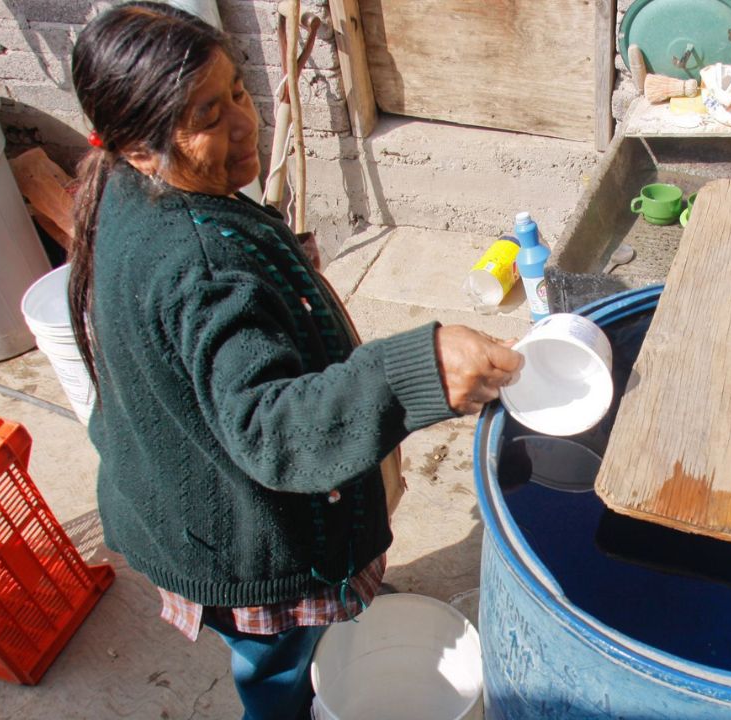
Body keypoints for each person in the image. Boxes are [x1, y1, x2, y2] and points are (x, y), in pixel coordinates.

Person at [67, 4, 523, 718]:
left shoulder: (133, 192)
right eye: (207, 114)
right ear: (134, 146)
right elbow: (275, 431)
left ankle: (325, 639)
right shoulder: (201, 263)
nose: (246, 123)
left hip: (172, 497)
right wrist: (416, 369)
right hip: (238, 548)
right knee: (275, 669)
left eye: (238, 92)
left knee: (298, 646)